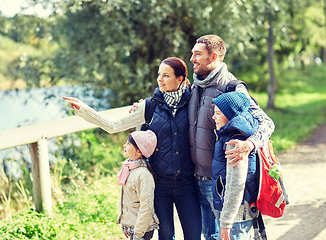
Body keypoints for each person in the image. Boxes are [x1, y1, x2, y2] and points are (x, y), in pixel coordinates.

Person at [63, 57, 202, 240]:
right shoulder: (149, 106)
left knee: (194, 235)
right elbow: (113, 125)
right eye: (159, 74)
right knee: (166, 236)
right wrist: (84, 110)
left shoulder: (193, 102)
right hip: (160, 185)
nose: (160, 79)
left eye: (166, 75)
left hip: (187, 184)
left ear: (181, 79)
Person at [188, 34, 275, 240]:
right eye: (192, 54)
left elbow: (267, 123)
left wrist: (249, 144)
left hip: (223, 185)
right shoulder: (195, 86)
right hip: (197, 180)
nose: (192, 58)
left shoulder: (233, 88)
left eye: (197, 54)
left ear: (214, 56)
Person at [211, 91, 259, 240]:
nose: (214, 117)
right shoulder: (232, 135)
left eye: (218, 113)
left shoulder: (234, 143)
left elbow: (235, 184)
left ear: (230, 116)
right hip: (237, 211)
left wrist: (226, 222)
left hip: (237, 214)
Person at [116, 130, 159, 240]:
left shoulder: (143, 175)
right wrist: (125, 223)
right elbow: (128, 200)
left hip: (141, 229)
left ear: (139, 151)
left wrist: (138, 234)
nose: (124, 145)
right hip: (133, 226)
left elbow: (146, 206)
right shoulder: (129, 168)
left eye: (128, 144)